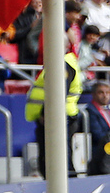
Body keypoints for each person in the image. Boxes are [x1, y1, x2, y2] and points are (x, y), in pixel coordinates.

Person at [25, 45, 82, 178]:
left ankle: (64, 189)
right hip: (60, 116)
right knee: (58, 155)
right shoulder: (63, 62)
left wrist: (46, 114)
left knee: (57, 157)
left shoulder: (62, 64)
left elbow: (58, 92)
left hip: (57, 117)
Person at [85, 80, 110, 175]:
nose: (105, 95)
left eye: (107, 92)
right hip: (100, 152)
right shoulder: (90, 111)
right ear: (94, 94)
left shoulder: (108, 110)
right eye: (101, 92)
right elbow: (98, 134)